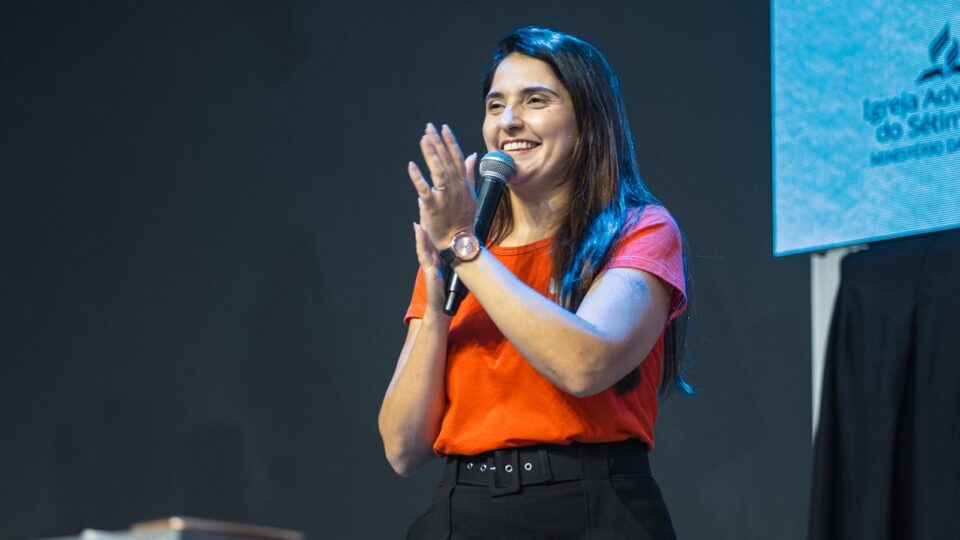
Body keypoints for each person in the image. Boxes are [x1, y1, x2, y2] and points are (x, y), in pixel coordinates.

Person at [378, 26, 691, 539]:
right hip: (463, 509)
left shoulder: (642, 229)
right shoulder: (463, 252)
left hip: (591, 507)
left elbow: (584, 364)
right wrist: (436, 307)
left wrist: (467, 249)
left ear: (588, 120)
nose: (509, 122)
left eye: (536, 101)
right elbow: (402, 447)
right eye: (495, 105)